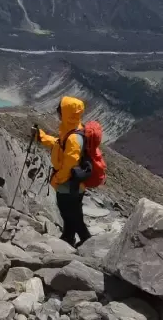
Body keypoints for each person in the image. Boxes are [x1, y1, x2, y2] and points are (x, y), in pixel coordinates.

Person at [33, 96, 92, 246]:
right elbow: (59, 145)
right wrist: (42, 137)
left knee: (70, 213)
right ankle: (68, 237)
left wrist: (57, 179)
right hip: (74, 183)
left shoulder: (73, 138)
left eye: (60, 111)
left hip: (69, 183)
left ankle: (87, 241)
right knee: (71, 213)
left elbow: (69, 165)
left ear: (66, 113)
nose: (58, 114)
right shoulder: (73, 130)